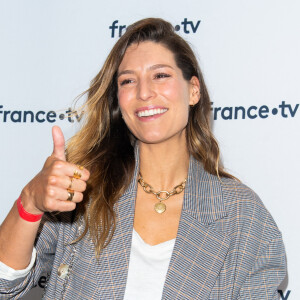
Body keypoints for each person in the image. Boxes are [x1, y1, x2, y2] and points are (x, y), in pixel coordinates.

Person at [0, 18, 286, 300]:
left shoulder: (242, 214)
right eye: (128, 81)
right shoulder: (82, 189)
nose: (144, 92)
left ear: (194, 90)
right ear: (118, 100)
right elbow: (5, 284)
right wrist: (30, 202)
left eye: (160, 75)